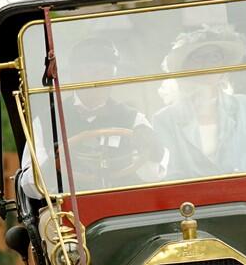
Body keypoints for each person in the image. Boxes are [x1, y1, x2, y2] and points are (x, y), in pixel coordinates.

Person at [19, 37, 165, 198]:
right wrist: (53, 165)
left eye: (105, 71)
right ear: (74, 75)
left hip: (124, 204)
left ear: (113, 77)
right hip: (65, 208)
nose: (97, 77)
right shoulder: (47, 121)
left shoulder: (133, 118)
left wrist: (153, 150)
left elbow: (154, 176)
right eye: (89, 70)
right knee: (50, 223)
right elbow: (30, 187)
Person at [152, 25, 246, 181]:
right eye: (199, 57)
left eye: (215, 57)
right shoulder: (165, 119)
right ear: (185, 66)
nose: (208, 63)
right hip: (191, 203)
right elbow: (168, 174)